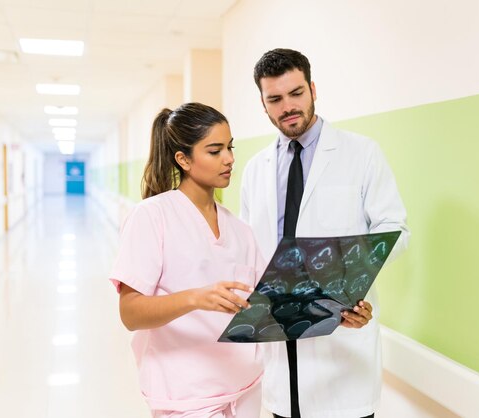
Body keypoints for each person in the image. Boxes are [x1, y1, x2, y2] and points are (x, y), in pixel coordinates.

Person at [240, 49, 410, 418]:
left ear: (313, 88)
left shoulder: (361, 153)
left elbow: (394, 229)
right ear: (263, 105)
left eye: (296, 93)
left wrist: (349, 283)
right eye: (275, 99)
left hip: (343, 342)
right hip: (279, 348)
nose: (288, 106)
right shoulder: (256, 170)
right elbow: (250, 252)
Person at [110, 102, 266, 418]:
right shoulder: (152, 216)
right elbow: (130, 313)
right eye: (215, 150)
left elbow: (268, 300)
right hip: (186, 398)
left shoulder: (239, 229)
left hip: (246, 387)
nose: (229, 159)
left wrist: (335, 307)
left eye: (230, 147)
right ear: (183, 159)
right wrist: (196, 298)